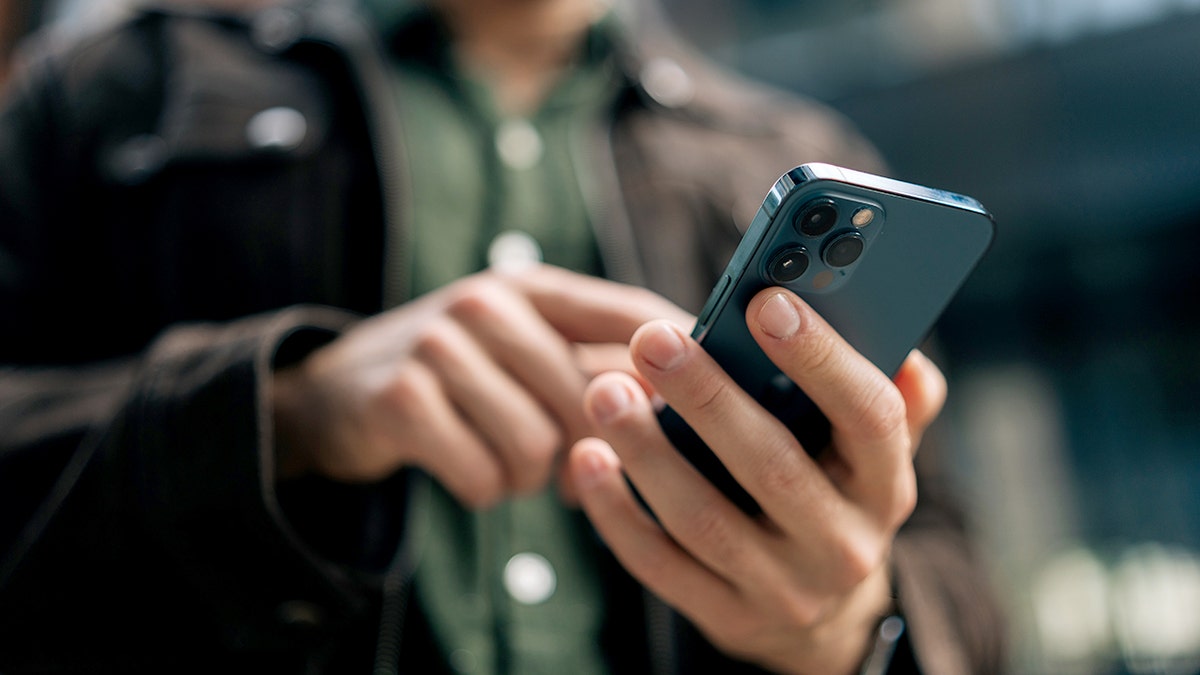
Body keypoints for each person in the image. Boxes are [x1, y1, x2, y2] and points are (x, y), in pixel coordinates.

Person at [0, 0, 1005, 672]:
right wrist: (293, 412)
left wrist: (847, 626)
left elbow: (965, 595)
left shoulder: (791, 152)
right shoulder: (112, 91)